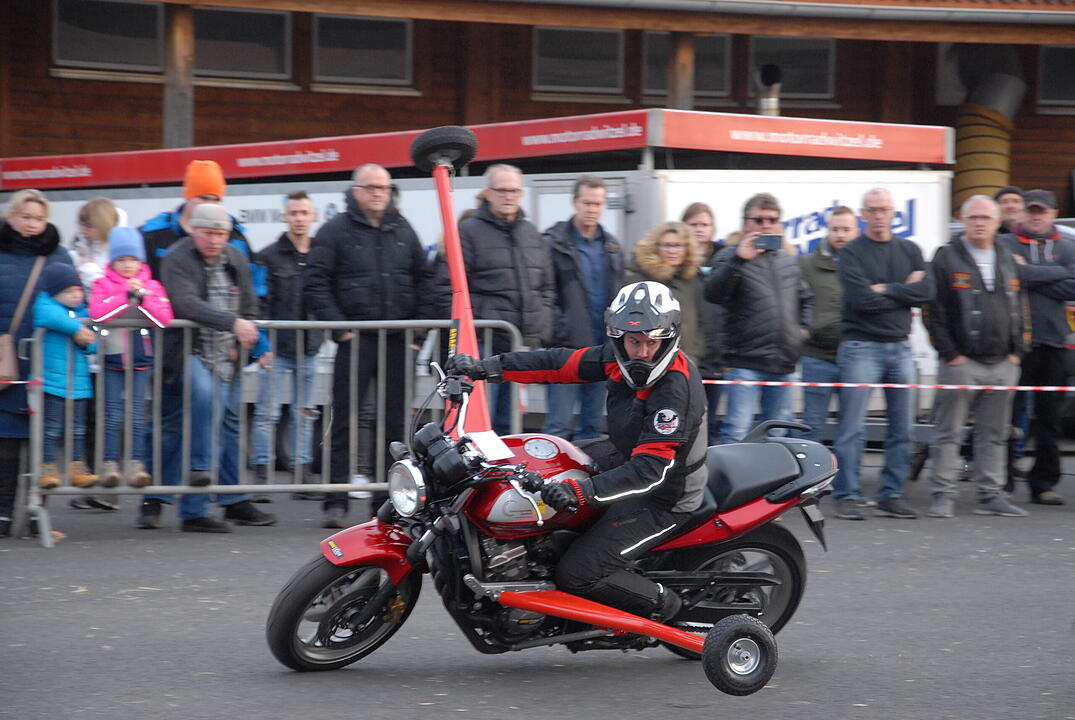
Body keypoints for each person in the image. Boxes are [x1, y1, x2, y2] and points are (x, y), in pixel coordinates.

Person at [448, 280, 705, 621]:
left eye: (652, 342)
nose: (642, 352)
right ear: (618, 338)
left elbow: (650, 472)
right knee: (539, 466)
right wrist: (486, 369)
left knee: (578, 574)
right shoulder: (616, 360)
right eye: (634, 341)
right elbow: (557, 363)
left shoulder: (674, 391)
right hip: (623, 456)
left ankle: (669, 608)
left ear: (668, 339)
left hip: (666, 495)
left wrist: (580, 491)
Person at [305, 164, 441, 529]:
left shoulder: (403, 229)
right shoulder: (335, 231)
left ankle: (389, 497)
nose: (380, 193)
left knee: (395, 422)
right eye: (372, 187)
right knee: (345, 418)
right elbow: (316, 281)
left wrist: (416, 335)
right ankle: (335, 497)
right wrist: (341, 330)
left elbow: (424, 280)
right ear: (357, 190)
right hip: (357, 339)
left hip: (397, 341)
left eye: (385, 187)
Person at [140, 204, 276, 532]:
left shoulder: (235, 257)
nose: (215, 240)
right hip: (187, 350)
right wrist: (234, 323)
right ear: (193, 230)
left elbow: (249, 305)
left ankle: (223, 502)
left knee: (228, 425)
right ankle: (157, 499)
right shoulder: (176, 257)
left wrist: (258, 345)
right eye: (208, 233)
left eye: (221, 234)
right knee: (184, 418)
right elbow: (185, 303)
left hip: (226, 354)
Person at [831, 188, 934, 520]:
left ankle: (892, 494)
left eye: (884, 209)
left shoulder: (910, 249)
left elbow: (926, 292)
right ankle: (847, 494)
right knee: (852, 427)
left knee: (903, 427)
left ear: (893, 213)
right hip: (861, 346)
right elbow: (860, 301)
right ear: (863, 214)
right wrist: (904, 291)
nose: (878, 215)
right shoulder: (852, 253)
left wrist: (886, 288)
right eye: (872, 210)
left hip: (901, 347)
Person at [924, 195, 1029, 518]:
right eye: (974, 217)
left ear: (998, 222)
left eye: (986, 217)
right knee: (948, 431)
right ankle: (943, 494)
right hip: (961, 363)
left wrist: (1018, 351)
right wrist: (950, 354)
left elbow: (1020, 305)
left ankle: (991, 494)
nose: (980, 222)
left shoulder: (1007, 256)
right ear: (963, 220)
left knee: (995, 434)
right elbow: (933, 310)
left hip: (1002, 363)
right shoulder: (945, 257)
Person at [448, 163, 555, 435]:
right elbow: (451, 285)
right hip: (485, 344)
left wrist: (540, 323)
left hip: (521, 346)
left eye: (515, 191)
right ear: (488, 193)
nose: (509, 196)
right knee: (483, 421)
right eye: (503, 190)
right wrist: (479, 326)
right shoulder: (469, 232)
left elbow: (547, 285)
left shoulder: (531, 233)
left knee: (512, 423)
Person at [705, 193, 812, 444]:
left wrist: (803, 331)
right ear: (745, 223)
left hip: (782, 362)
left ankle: (771, 484)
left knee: (776, 435)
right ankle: (727, 483)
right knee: (736, 433)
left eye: (772, 220)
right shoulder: (729, 256)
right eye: (759, 219)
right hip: (744, 362)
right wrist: (739, 259)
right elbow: (713, 294)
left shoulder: (787, 259)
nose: (766, 225)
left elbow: (807, 299)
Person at [0, 190, 74, 538]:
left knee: (43, 442)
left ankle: (37, 515)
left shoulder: (57, 255)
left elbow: (74, 299)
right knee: (7, 442)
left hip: (46, 359)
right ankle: (2, 514)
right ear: (11, 217)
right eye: (25, 217)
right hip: (6, 361)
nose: (32, 224)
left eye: (38, 218)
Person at [998, 188, 1074, 506]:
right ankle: (1002, 482)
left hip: (1054, 343)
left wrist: (1029, 274)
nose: (1036, 215)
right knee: (1006, 416)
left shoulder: (1067, 247)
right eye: (1031, 210)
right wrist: (1055, 275)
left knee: (1049, 419)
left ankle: (1043, 483)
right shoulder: (1005, 243)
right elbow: (1007, 278)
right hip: (1013, 344)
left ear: (1054, 213)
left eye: (1042, 211)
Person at [252, 191, 323, 501]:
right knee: (267, 413)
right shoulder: (267, 256)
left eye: (303, 212)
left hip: (309, 347)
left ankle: (302, 474)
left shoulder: (321, 254)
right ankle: (260, 476)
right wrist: (262, 344)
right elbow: (258, 303)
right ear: (284, 216)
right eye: (293, 212)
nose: (298, 218)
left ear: (313, 216)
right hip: (276, 348)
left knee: (304, 413)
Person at [89, 226, 173, 488]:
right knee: (112, 415)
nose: (127, 265)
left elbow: (164, 318)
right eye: (122, 260)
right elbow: (96, 313)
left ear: (140, 261)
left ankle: (137, 465)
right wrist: (125, 297)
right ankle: (109, 464)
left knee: (137, 415)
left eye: (133, 260)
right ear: (113, 261)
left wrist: (143, 297)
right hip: (112, 359)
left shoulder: (152, 285)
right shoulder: (102, 284)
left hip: (141, 359)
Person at [541, 175, 623, 441]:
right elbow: (544, 292)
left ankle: (585, 482)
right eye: (587, 202)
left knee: (592, 428)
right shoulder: (554, 243)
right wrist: (557, 330)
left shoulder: (612, 247)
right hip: (566, 351)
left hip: (602, 350)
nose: (592, 209)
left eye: (598, 204)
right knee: (559, 426)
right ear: (574, 202)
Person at [32, 263, 98, 490]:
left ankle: (76, 466)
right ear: (56, 292)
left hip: (78, 383)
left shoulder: (83, 313)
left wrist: (88, 340)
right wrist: (77, 329)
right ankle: (47, 466)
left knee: (78, 428)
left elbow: (93, 344)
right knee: (51, 427)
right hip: (51, 382)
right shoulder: (46, 304)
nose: (76, 295)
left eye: (78, 290)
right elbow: (47, 313)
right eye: (70, 291)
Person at [797, 206, 858, 442]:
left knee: (851, 429)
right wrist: (803, 331)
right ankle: (812, 479)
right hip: (816, 357)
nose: (840, 235)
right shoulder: (806, 264)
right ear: (827, 230)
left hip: (855, 358)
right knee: (812, 427)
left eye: (846, 229)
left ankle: (847, 480)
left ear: (856, 231)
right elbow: (797, 303)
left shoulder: (864, 263)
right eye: (835, 229)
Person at [626, 221, 705, 363]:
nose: (672, 251)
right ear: (656, 247)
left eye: (678, 245)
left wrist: (695, 355)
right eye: (667, 245)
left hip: (685, 361)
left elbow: (701, 323)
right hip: (647, 361)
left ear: (687, 249)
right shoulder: (640, 280)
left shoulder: (693, 281)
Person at [681, 202, 726, 445]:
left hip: (717, 358)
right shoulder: (679, 263)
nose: (699, 229)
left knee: (712, 424)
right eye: (694, 224)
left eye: (705, 224)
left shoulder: (726, 258)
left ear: (713, 228)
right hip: (689, 359)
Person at [70, 197, 119, 288]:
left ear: (103, 225)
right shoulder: (79, 247)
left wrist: (87, 267)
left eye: (89, 226)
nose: (82, 231)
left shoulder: (121, 250)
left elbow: (108, 287)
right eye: (81, 225)